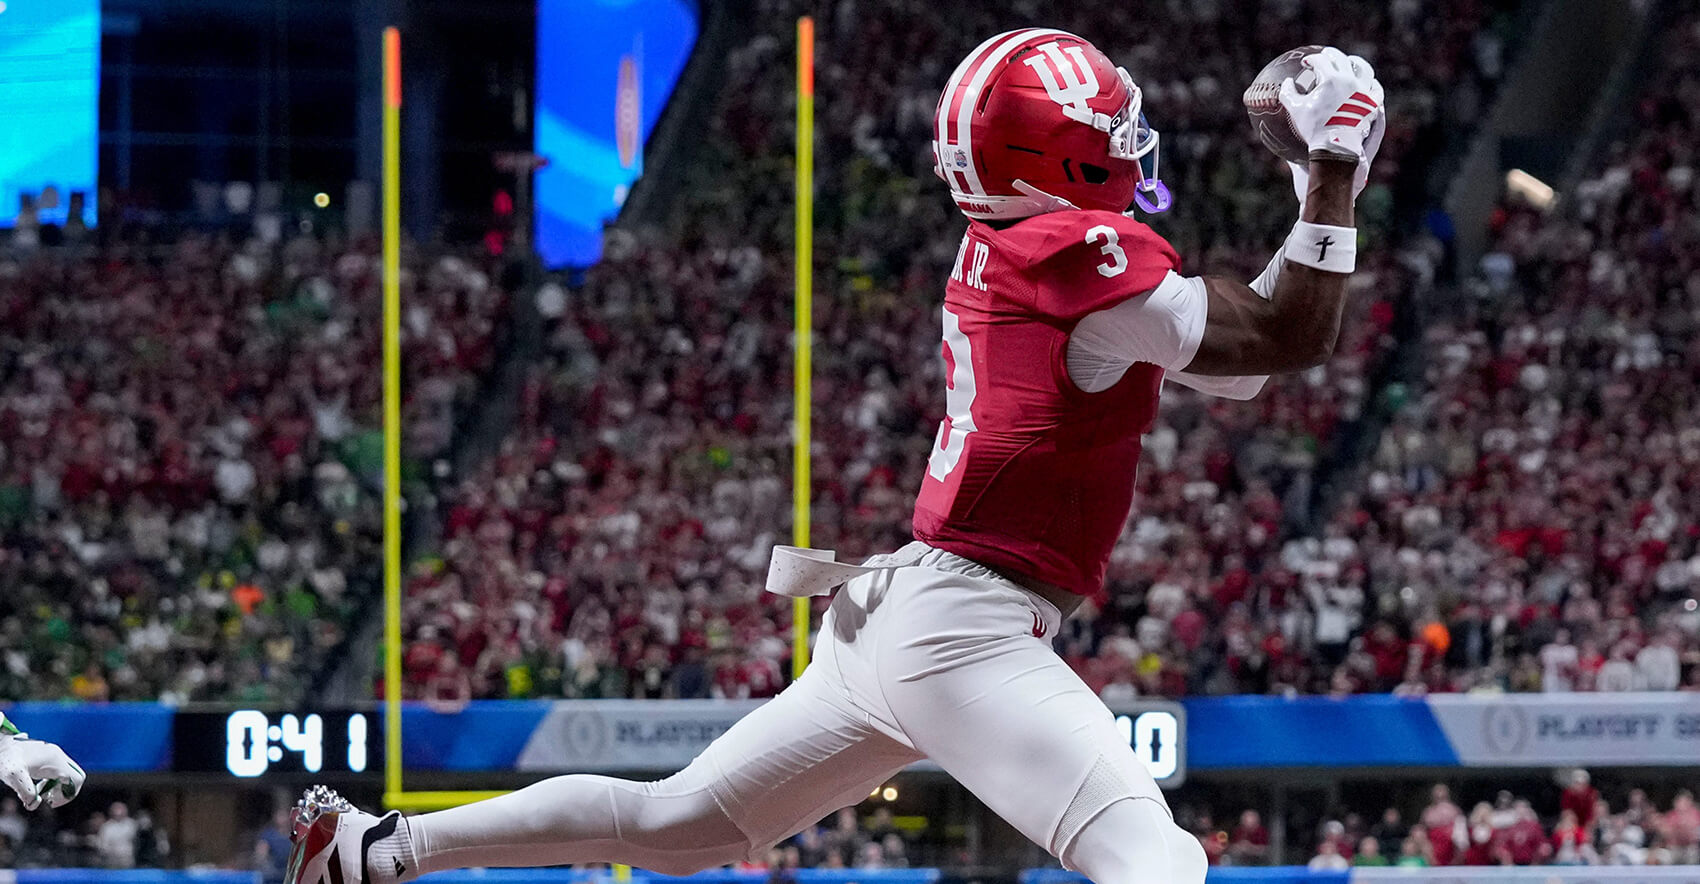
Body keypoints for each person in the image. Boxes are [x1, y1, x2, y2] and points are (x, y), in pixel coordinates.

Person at [284, 34, 1384, 884]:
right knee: (1152, 854)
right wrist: (1328, 164)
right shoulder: (1065, 246)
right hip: (961, 626)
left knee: (675, 825)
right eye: (1107, 129)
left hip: (910, 607)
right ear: (1059, 152)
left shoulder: (1023, 242)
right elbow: (1284, 336)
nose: (1129, 146)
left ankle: (372, 853)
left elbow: (1244, 355)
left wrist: (1314, 191)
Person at [0, 711, 85, 811]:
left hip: (14, 743)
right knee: (13, 770)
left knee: (76, 778)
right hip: (5, 754)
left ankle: (43, 797)